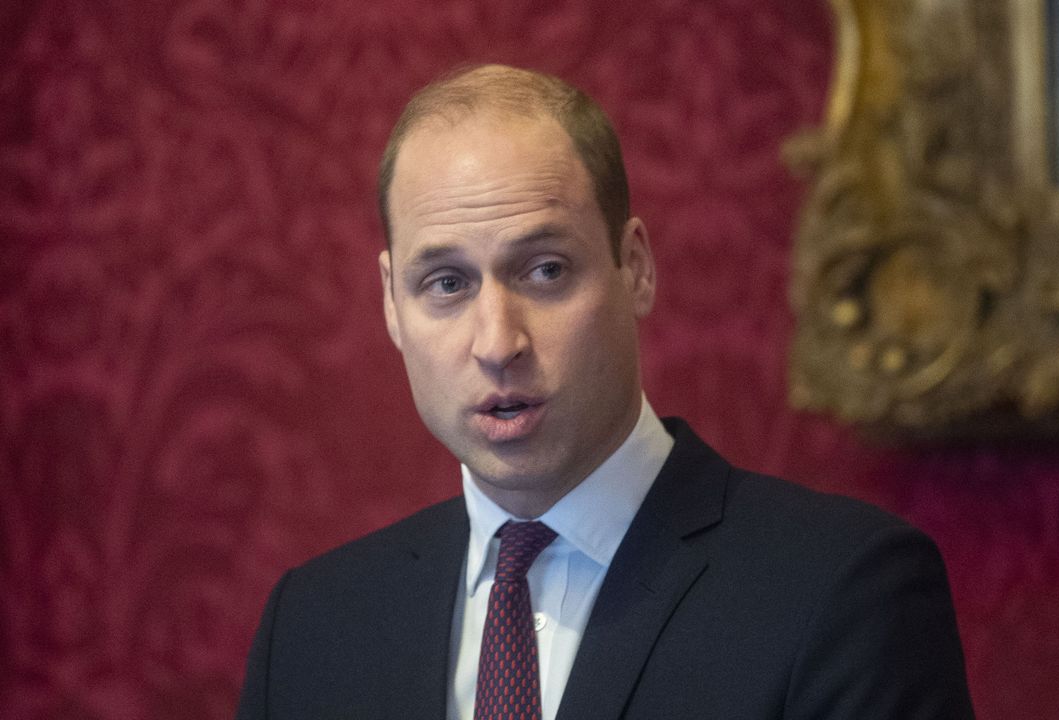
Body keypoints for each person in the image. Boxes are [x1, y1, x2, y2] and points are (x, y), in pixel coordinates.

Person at [235, 64, 974, 720]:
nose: (497, 342)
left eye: (545, 271)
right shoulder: (312, 629)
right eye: (447, 284)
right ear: (393, 306)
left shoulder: (842, 593)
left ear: (636, 268)